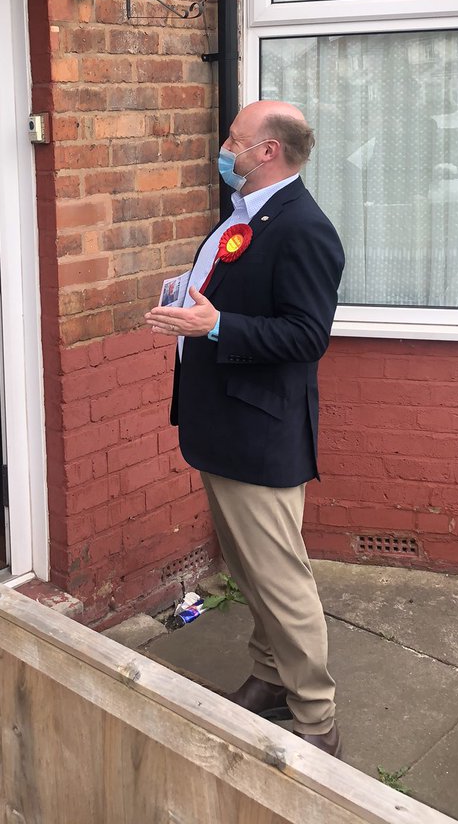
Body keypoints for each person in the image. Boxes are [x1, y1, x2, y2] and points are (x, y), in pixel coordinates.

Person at [145, 100, 345, 756]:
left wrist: (218, 326)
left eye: (235, 138)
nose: (224, 146)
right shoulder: (247, 215)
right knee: (256, 571)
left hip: (260, 434)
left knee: (281, 578)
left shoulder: (304, 228)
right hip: (225, 424)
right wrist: (193, 295)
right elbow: (232, 291)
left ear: (268, 152)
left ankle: (318, 720)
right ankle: (270, 679)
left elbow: (307, 335)